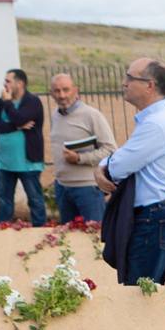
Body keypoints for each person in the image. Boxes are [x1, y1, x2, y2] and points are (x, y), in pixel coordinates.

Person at [95, 58, 165, 284]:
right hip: (164, 214)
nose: (124, 83)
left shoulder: (156, 123)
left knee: (137, 293)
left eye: (130, 78)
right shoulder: (160, 118)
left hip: (154, 218)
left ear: (150, 85)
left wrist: (101, 168)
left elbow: (119, 167)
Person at [47, 73, 116, 226]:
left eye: (66, 90)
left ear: (76, 90)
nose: (62, 95)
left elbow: (111, 149)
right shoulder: (55, 116)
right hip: (63, 188)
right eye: (57, 91)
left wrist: (80, 158)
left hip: (88, 189)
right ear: (51, 93)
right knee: (70, 242)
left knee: (95, 238)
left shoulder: (91, 115)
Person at [0, 68, 48, 225]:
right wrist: (16, 127)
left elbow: (20, 118)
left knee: (35, 199)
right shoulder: (1, 102)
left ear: (20, 83)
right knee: (4, 199)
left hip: (27, 162)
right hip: (4, 162)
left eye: (8, 81)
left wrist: (8, 106)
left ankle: (40, 229)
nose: (4, 84)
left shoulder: (32, 101)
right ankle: (3, 227)